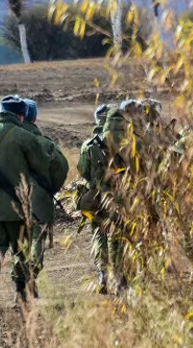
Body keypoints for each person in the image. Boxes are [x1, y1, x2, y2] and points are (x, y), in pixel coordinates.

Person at [0, 95, 52, 305]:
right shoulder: (25, 137)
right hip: (19, 206)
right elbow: (42, 166)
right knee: (21, 248)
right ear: (21, 115)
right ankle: (20, 291)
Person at [77, 106, 131, 295]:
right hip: (125, 198)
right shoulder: (130, 142)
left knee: (100, 234)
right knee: (121, 236)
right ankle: (121, 277)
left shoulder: (91, 144)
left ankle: (103, 273)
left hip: (99, 198)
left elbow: (83, 170)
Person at [21, 98, 69, 290]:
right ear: (34, 118)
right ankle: (32, 273)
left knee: (17, 239)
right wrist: (50, 189)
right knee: (36, 238)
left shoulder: (5, 140)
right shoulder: (45, 143)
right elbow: (61, 169)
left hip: (9, 198)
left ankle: (18, 282)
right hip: (39, 199)